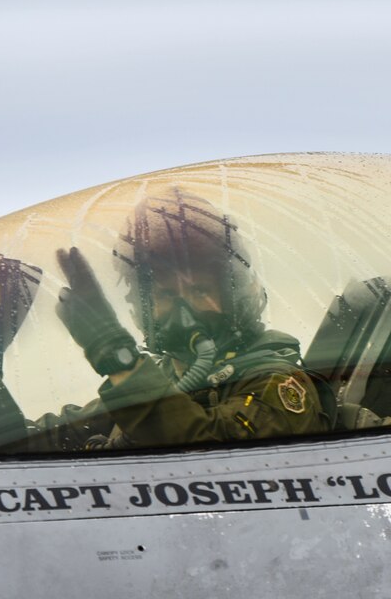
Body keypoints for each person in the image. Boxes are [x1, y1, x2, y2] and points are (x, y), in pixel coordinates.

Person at [46, 189, 324, 449]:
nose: (184, 312)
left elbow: (207, 455)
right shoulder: (163, 376)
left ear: (234, 297)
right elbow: (39, 440)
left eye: (199, 290)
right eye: (166, 295)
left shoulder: (275, 381)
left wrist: (114, 352)